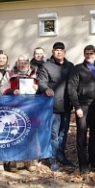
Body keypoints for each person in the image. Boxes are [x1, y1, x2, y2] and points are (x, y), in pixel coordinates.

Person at [67, 45, 95, 172]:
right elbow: (71, 88)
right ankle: (83, 164)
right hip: (83, 106)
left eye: (91, 53)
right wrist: (77, 106)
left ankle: (93, 160)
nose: (89, 55)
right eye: (87, 53)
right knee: (81, 135)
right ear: (84, 54)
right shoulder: (78, 69)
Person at [37, 41, 75, 171]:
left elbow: (75, 83)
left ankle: (61, 156)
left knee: (63, 134)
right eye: (56, 50)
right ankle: (53, 159)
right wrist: (46, 88)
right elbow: (41, 81)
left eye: (61, 50)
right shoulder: (46, 66)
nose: (59, 52)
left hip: (67, 105)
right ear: (53, 52)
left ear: (64, 52)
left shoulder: (70, 66)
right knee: (53, 134)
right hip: (53, 107)